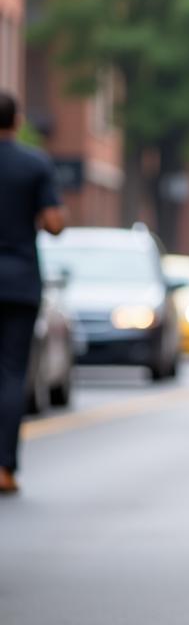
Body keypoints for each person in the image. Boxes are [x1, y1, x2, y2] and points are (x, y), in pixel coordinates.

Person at [0, 91, 66, 494]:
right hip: (20, 282)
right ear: (18, 120)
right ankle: (4, 468)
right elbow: (56, 224)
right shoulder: (34, 164)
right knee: (11, 375)